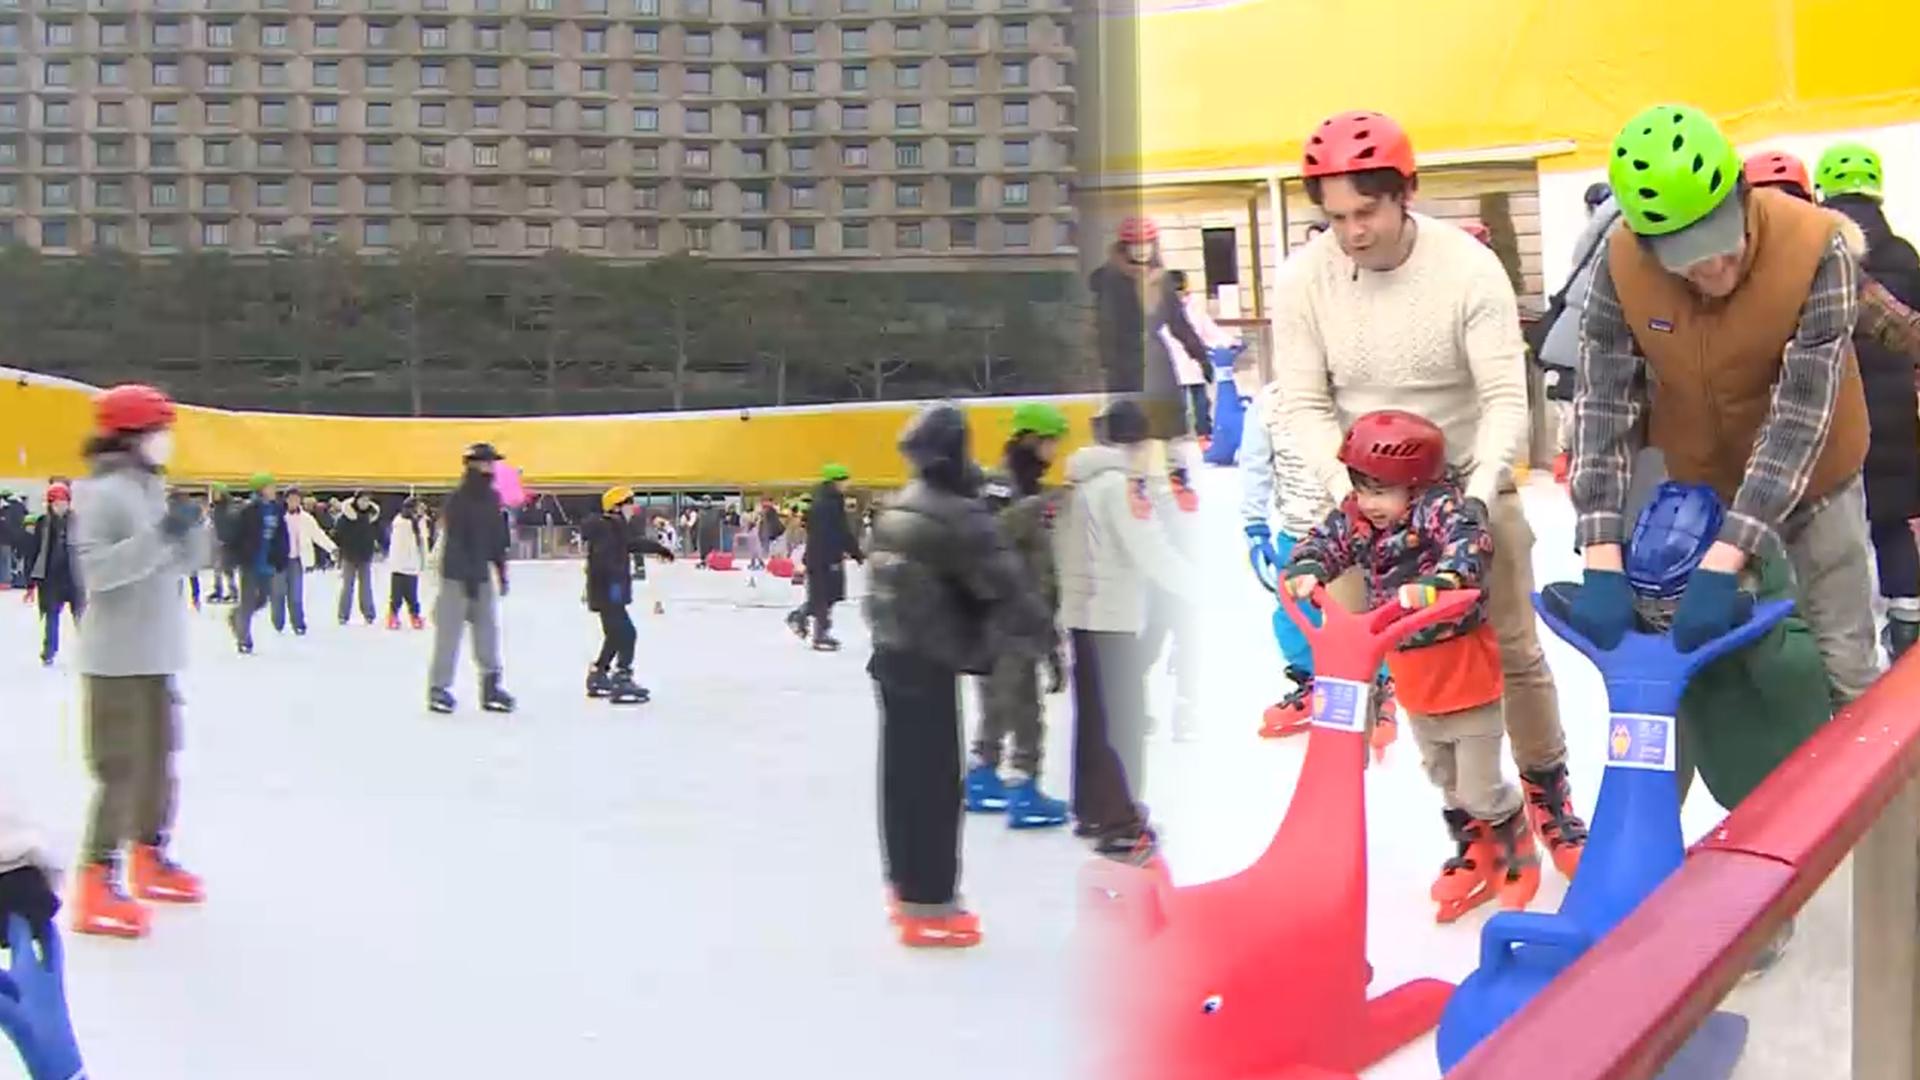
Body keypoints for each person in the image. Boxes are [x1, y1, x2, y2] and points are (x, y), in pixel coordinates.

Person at [1273, 108, 1586, 877]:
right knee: (1395, 658)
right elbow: (1304, 403)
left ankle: (1548, 792)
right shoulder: (1303, 280)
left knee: (1510, 650)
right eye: (1336, 216)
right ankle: (1469, 821)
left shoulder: (1468, 271)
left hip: (1465, 484)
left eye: (1366, 211)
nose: (1351, 232)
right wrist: (1347, 494)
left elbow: (1507, 397)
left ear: (1404, 193)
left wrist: (1477, 499)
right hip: (1364, 497)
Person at [1569, 104, 1879, 708]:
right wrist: (1600, 545)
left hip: (1816, 479)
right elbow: (1604, 399)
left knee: (1843, 656)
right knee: (1687, 678)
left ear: (1741, 193)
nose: (1712, 267)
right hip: (1697, 484)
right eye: (1687, 256)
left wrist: (1730, 553)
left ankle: (1876, 794)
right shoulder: (1621, 264)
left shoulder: (1818, 249)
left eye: (1721, 243)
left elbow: (1798, 417)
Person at [1282, 410, 1538, 920]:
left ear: (1417, 484)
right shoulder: (1361, 516)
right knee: (1442, 775)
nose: (1369, 503)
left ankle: (1516, 844)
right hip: (1414, 677)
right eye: (1361, 488)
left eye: (1381, 490)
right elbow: (1327, 539)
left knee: (1480, 786)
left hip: (1465, 674)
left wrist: (1443, 582)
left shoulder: (1443, 510)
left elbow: (1470, 545)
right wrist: (1309, 566)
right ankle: (1473, 849)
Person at [865, 403, 1052, 948]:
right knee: (933, 783)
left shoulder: (898, 505)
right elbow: (1007, 585)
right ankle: (931, 902)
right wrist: (1045, 640)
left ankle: (904, 887)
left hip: (892, 653)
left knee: (900, 779)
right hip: (930, 657)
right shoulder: (957, 514)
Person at [69, 383, 210, 939]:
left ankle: (149, 854)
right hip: (115, 659)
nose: (166, 441)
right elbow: (100, 574)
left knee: (159, 761)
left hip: (156, 653)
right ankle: (94, 877)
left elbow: (187, 561)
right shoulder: (100, 494)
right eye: (159, 431)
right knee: (120, 768)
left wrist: (193, 529)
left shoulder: (153, 489)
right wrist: (160, 535)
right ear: (131, 436)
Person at [1056, 399, 1197, 860]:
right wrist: (1199, 588)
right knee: (1124, 721)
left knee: (1093, 718)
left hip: (1081, 615)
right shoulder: (1120, 487)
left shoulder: (1080, 482)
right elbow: (1149, 549)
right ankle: (1120, 822)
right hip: (1113, 618)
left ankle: (1090, 808)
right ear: (1138, 442)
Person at [1809, 143, 1920, 659]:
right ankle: (1907, 624)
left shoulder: (1815, 248)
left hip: (1837, 406)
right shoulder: (1903, 254)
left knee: (1838, 527)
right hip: (1896, 405)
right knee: (1893, 519)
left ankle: (1842, 643)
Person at [964, 402, 1071, 829]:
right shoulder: (1001, 487)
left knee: (1007, 701)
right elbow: (992, 539)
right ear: (1031, 438)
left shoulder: (1025, 487)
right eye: (1050, 442)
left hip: (1021, 610)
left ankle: (988, 775)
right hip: (1003, 612)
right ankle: (1020, 786)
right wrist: (1038, 508)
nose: (1054, 451)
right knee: (1018, 703)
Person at [1089, 217, 1212, 511]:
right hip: (1123, 360)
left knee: (1169, 424)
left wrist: (1200, 355)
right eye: (1136, 246)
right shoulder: (1109, 280)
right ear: (1125, 246)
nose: (1142, 252)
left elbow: (1179, 324)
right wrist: (1103, 362)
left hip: (1155, 358)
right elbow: (1100, 326)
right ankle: (1134, 482)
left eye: (1147, 245)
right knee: (1133, 428)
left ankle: (1178, 476)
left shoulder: (1162, 280)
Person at [1240, 381, 1340, 732]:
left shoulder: (1352, 387)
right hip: (1298, 533)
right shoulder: (1270, 402)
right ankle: (1312, 684)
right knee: (1294, 616)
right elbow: (1255, 465)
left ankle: (1379, 686)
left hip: (1355, 530)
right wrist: (1255, 526)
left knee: (1361, 613)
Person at [427, 443, 515, 715]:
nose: (491, 467)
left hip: (481, 574)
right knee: (449, 634)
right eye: (486, 462)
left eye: (492, 463)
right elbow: (456, 542)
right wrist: (466, 577)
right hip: (456, 576)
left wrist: (500, 570)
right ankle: (439, 688)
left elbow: (496, 539)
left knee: (488, 631)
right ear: (472, 465)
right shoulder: (459, 498)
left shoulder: (493, 498)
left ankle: (491, 686)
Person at [584, 486, 676, 705]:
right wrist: (613, 583)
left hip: (607, 589)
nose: (632, 509)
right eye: (628, 504)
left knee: (615, 634)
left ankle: (599, 673)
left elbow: (633, 544)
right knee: (627, 633)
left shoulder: (616, 528)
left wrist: (659, 549)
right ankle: (622, 677)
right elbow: (602, 559)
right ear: (617, 507)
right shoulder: (608, 528)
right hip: (609, 589)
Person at [785, 464, 862, 651]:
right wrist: (856, 552)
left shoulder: (824, 500)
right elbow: (840, 531)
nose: (847, 484)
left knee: (827, 596)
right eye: (844, 480)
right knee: (824, 596)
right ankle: (819, 634)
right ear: (834, 481)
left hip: (822, 554)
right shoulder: (829, 503)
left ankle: (801, 617)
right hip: (825, 556)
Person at [229, 473, 290, 655]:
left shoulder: (277, 509)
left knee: (263, 599)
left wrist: (281, 556)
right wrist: (237, 556)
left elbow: (281, 535)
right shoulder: (248, 511)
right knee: (248, 601)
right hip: (250, 562)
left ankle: (237, 616)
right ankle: (244, 638)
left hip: (268, 562)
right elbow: (237, 536)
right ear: (261, 490)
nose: (274, 491)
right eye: (270, 487)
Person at [22, 483, 81, 667]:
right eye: (56, 502)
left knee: (82, 616)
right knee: (51, 617)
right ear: (49, 504)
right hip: (50, 579)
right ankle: (49, 651)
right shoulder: (42, 523)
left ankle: (90, 650)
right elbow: (33, 551)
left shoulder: (78, 523)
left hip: (74, 576)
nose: (60, 506)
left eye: (63, 501)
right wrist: (31, 582)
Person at [278, 487, 335, 636]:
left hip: (297, 560)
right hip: (279, 560)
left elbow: (317, 534)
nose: (294, 502)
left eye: (297, 499)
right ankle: (278, 621)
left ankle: (298, 624)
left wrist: (332, 548)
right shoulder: (279, 516)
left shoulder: (306, 519)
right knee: (278, 593)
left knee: (296, 594)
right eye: (291, 499)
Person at [333, 491, 383, 626]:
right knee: (347, 586)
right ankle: (343, 615)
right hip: (349, 555)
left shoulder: (372, 516)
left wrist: (380, 545)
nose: (364, 503)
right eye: (362, 500)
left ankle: (369, 614)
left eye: (367, 500)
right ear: (356, 500)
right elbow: (338, 534)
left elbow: (379, 533)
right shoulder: (346, 517)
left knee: (366, 586)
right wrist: (338, 550)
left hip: (365, 556)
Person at [385, 497, 428, 630]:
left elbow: (422, 544)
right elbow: (420, 544)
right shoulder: (404, 523)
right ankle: (400, 616)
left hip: (405, 565)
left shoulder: (413, 522)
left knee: (405, 595)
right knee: (403, 595)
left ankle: (406, 616)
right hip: (404, 564)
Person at [207, 482, 241, 604]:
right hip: (219, 541)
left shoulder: (228, 508)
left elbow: (232, 525)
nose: (215, 495)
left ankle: (233, 592)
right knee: (218, 568)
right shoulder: (217, 508)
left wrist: (230, 539)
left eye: (217, 492)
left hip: (228, 543)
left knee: (227, 569)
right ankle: (219, 590)